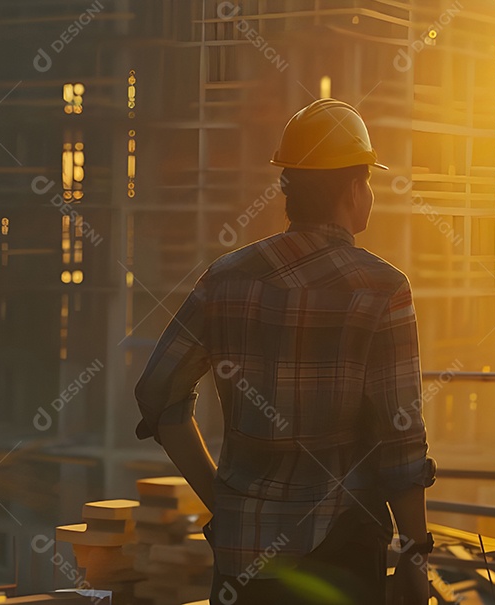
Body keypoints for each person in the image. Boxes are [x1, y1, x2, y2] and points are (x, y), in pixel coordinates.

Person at [135, 99, 434, 605]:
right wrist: (416, 553)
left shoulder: (226, 277)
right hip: (341, 558)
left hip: (244, 564)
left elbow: (158, 394)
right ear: (353, 189)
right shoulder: (381, 288)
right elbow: (400, 437)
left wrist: (225, 502)